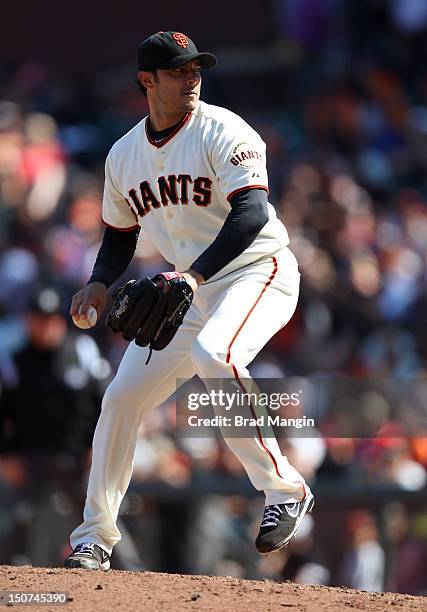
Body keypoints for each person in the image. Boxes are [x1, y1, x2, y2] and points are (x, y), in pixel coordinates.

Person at [65, 31, 314, 571]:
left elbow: (250, 215)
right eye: (178, 71)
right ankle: (94, 538)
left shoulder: (224, 129)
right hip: (190, 286)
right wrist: (99, 281)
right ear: (147, 81)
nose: (192, 78)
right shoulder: (124, 155)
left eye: (196, 68)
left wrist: (194, 278)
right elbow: (118, 234)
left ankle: (285, 489)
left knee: (215, 355)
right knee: (121, 399)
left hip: (257, 270)